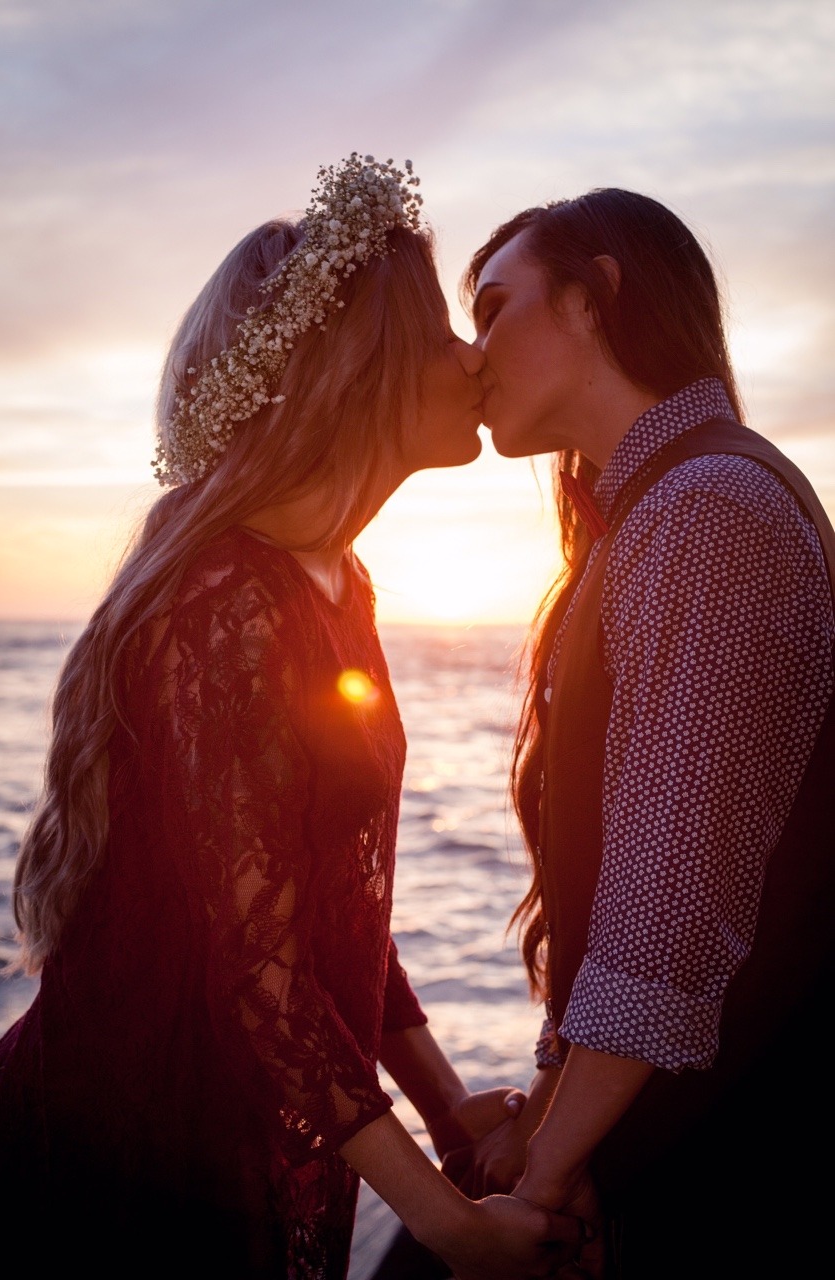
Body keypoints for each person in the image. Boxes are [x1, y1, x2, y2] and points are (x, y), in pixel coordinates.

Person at [0, 155, 585, 1280]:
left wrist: (451, 1117)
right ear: (359, 371)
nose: (472, 359)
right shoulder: (223, 598)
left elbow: (334, 924)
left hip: (224, 1122)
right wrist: (450, 1226)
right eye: (439, 335)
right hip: (129, 1151)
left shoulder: (333, 583)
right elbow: (263, 972)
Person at [456, 189, 835, 1277]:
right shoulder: (660, 511)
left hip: (736, 1177)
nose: (474, 353)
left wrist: (538, 1189)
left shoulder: (707, 507)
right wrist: (543, 1122)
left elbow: (664, 924)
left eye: (494, 308)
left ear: (594, 297)